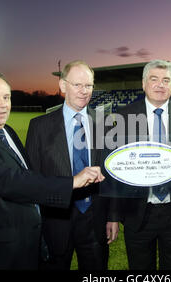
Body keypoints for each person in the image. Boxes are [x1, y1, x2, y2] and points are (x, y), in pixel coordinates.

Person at [0, 71, 104, 270]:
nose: (2, 104)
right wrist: (72, 182)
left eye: (6, 97)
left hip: (20, 245)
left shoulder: (5, 131)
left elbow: (28, 174)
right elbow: (11, 181)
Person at [25, 60, 119, 270]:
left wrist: (112, 216)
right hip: (55, 220)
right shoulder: (39, 127)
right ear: (62, 85)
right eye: (77, 85)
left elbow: (111, 176)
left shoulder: (105, 124)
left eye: (88, 85)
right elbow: (31, 180)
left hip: (95, 219)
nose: (84, 91)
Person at [115, 59, 171, 270]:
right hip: (138, 213)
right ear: (144, 83)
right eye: (154, 79)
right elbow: (118, 168)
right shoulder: (125, 115)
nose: (160, 85)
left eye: (166, 80)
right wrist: (115, 214)